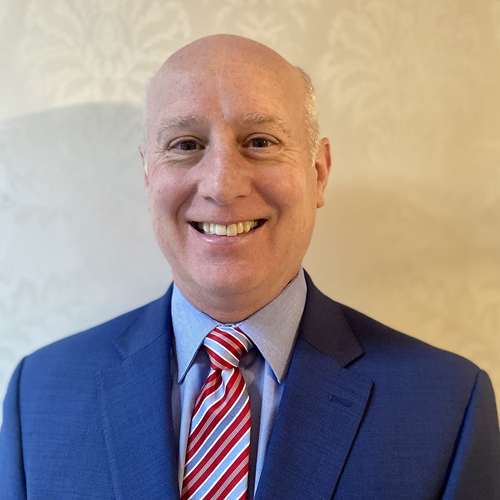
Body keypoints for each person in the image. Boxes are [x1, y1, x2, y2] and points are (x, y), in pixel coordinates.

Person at [0, 34, 499, 500]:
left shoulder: (449, 406)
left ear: (319, 172)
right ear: (148, 175)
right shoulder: (38, 396)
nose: (222, 185)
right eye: (186, 145)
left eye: (260, 141)